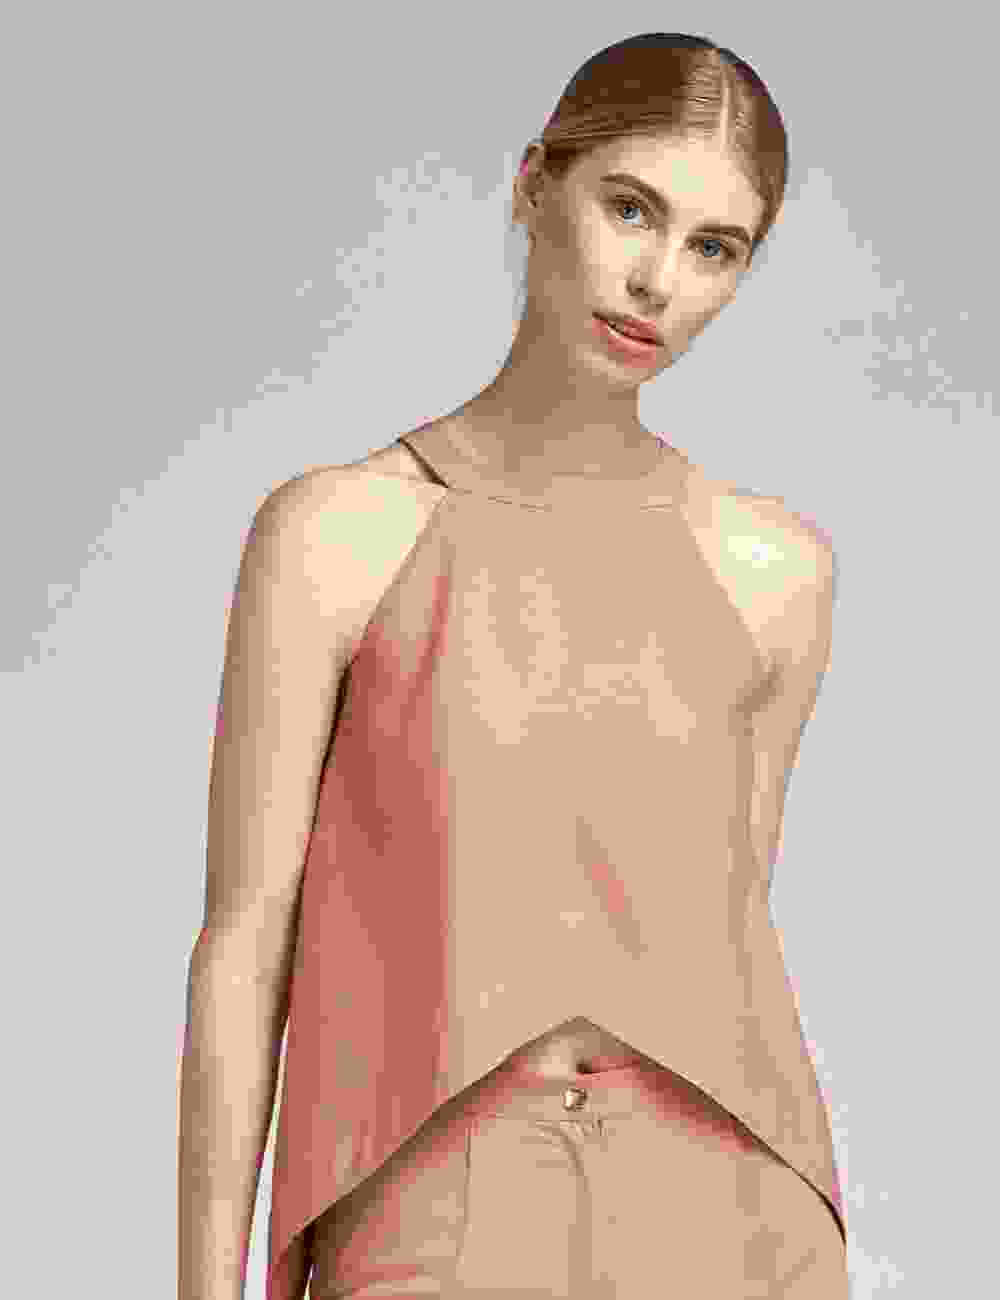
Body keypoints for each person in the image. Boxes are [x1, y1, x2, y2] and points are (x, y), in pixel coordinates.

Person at [178, 30, 849, 1300]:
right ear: (535, 183)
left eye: (714, 248)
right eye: (629, 209)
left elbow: (717, 939)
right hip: (434, 1212)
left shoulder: (775, 576)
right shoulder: (335, 536)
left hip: (731, 1221)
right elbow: (244, 946)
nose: (656, 280)